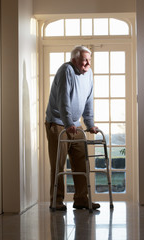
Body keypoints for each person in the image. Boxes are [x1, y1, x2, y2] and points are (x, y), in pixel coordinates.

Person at [45, 45, 100, 211]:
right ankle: (56, 200)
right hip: (57, 122)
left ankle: (82, 199)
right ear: (74, 60)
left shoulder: (88, 74)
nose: (87, 64)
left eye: (89, 61)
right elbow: (63, 99)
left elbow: (89, 100)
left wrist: (89, 124)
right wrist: (67, 122)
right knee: (58, 164)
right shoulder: (66, 71)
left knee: (81, 163)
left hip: (75, 124)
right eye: (84, 61)